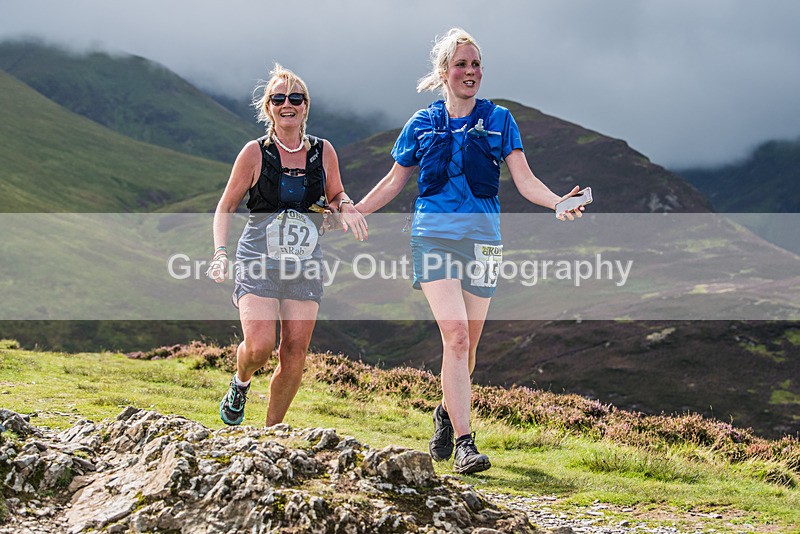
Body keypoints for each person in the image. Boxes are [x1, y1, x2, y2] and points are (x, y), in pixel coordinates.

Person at [354, 28, 585, 474]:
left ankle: (445, 412)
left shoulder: (501, 121)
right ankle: (465, 442)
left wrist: (558, 201)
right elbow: (393, 182)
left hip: (484, 242)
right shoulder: (421, 124)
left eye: (476, 64)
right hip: (434, 237)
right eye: (462, 64)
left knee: (469, 350)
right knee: (456, 337)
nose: (471, 71)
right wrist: (354, 209)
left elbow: (525, 180)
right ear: (444, 72)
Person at [209, 63, 367, 427]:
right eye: (278, 98)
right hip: (257, 259)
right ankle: (240, 381)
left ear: (306, 106)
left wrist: (344, 207)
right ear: (269, 108)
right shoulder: (254, 153)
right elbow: (226, 206)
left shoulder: (323, 152)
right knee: (261, 347)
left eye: (295, 98)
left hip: (305, 261)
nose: (287, 104)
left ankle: (270, 434)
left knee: (294, 352)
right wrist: (220, 253)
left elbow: (336, 192)